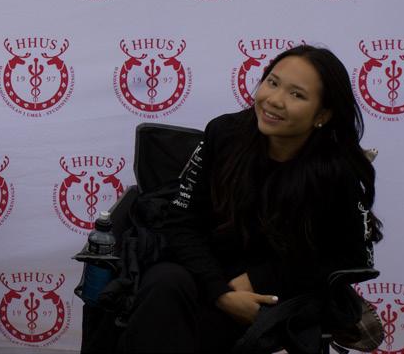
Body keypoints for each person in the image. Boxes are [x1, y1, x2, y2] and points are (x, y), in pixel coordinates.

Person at [118, 45, 382, 353]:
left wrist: (257, 279)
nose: (274, 100)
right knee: (164, 283)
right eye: (272, 82)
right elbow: (181, 222)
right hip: (208, 273)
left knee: (184, 324)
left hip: (282, 289)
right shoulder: (223, 133)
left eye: (296, 94)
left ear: (322, 115)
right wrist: (221, 292)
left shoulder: (338, 170)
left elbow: (349, 257)